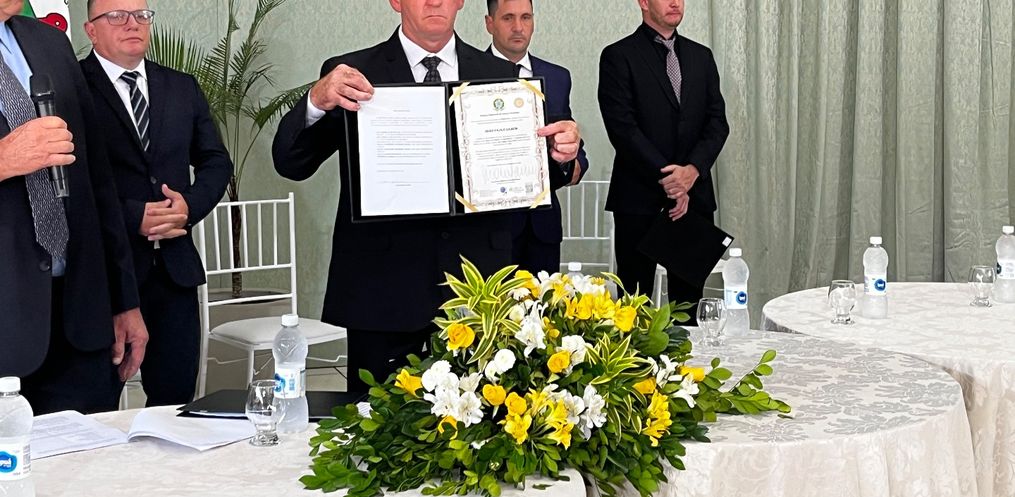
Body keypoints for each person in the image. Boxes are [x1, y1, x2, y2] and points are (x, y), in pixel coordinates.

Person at [273, 0, 581, 393]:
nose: (435, 1)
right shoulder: (351, 74)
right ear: (396, 2)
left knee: (479, 422)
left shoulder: (502, 77)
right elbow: (291, 162)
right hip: (382, 290)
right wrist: (316, 101)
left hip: (478, 292)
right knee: (375, 420)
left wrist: (560, 153)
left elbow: (537, 175)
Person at [81, 0, 233, 406]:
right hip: (105, 277)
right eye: (117, 16)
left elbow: (216, 161)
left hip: (174, 271)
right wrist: (133, 216)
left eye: (142, 15)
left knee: (175, 404)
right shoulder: (73, 86)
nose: (132, 24)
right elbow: (68, 180)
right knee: (96, 408)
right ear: (90, 30)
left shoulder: (181, 86)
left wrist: (188, 207)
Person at [0, 0, 148, 415]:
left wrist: (124, 301)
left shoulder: (50, 41)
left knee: (96, 453)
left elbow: (97, 178)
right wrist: (4, 159)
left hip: (81, 318)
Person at [598, 0, 729, 306]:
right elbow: (623, 129)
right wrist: (672, 181)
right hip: (638, 199)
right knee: (634, 307)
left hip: (694, 197)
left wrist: (691, 172)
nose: (675, 2)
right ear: (643, 2)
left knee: (689, 305)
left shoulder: (701, 56)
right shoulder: (618, 56)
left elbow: (717, 123)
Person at [484, 0, 590, 276]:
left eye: (526, 17)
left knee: (544, 304)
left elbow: (573, 149)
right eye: (508, 18)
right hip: (488, 230)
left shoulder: (557, 77)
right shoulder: (469, 73)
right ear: (489, 23)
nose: (518, 27)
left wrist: (570, 161)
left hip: (542, 228)